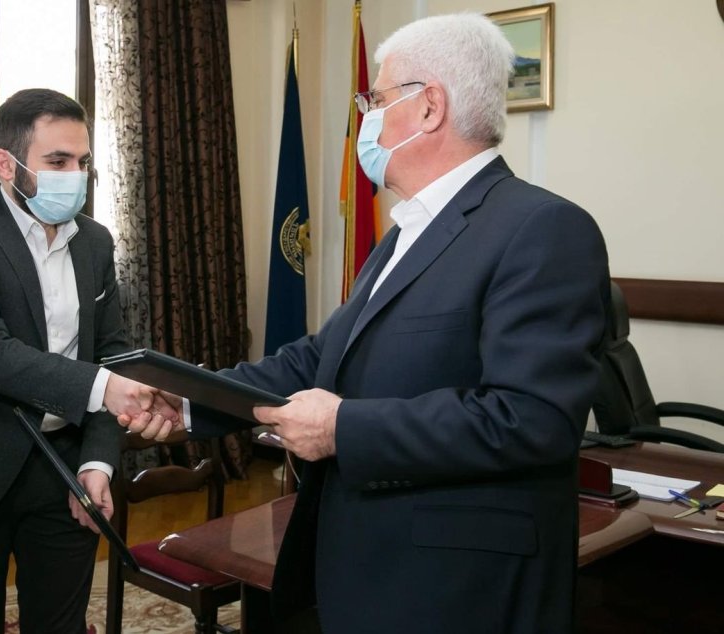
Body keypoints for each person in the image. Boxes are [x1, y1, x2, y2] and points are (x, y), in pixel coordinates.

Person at [123, 13, 610, 634]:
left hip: (457, 587)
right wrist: (191, 397)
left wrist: (341, 428)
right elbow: (319, 358)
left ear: (429, 106)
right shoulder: (409, 230)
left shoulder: (542, 228)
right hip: (370, 563)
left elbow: (531, 420)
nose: (367, 118)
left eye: (375, 100)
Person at [0, 88, 176, 634]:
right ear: (6, 165)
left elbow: (111, 352)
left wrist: (97, 462)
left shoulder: (95, 242)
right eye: (58, 161)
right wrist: (104, 386)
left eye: (83, 161)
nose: (76, 175)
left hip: (64, 468)